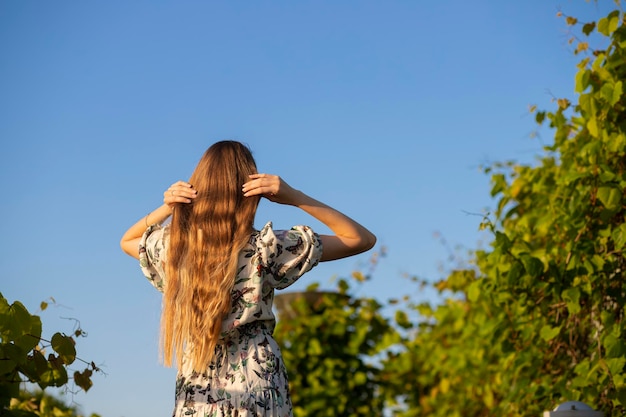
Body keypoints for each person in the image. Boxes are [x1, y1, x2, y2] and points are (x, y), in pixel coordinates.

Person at [120, 140, 376, 417]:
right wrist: (295, 196)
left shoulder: (175, 248)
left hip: (196, 380)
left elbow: (128, 240)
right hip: (257, 377)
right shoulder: (267, 247)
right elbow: (360, 239)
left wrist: (169, 206)